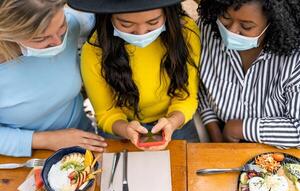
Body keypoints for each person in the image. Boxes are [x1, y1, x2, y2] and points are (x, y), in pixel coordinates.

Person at [67, 0, 201, 150]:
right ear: (108, 16)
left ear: (168, 13)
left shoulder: (185, 33)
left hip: (177, 120)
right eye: (126, 24)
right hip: (120, 128)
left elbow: (186, 96)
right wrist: (126, 129)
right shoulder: (94, 50)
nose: (141, 32)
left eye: (153, 22)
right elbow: (106, 113)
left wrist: (172, 122)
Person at [0, 0, 107, 157]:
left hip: (86, 141)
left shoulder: (73, 23)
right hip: (24, 157)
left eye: (61, 26)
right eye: (40, 39)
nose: (58, 42)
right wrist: (47, 140)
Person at [197, 0, 300, 148]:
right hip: (219, 134)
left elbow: (298, 130)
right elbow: (200, 85)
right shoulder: (207, 29)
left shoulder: (294, 58)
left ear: (275, 22)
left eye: (246, 26)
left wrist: (239, 129)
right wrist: (214, 133)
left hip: (277, 148)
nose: (231, 31)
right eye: (225, 17)